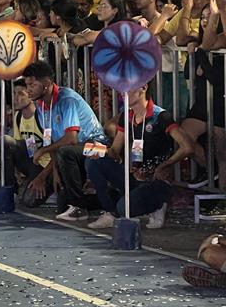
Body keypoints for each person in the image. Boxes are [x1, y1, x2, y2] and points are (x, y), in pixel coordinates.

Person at [86, 84, 194, 230]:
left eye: (128, 89)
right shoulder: (126, 117)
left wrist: (166, 165)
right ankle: (111, 212)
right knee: (93, 163)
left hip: (156, 180)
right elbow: (115, 151)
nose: (122, 93)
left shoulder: (160, 116)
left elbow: (187, 147)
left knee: (124, 207)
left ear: (143, 88)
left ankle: (158, 204)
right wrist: (98, 150)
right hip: (135, 177)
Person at [24, 60, 107, 222]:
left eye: (32, 85)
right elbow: (53, 141)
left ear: (46, 84)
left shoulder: (66, 99)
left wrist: (43, 151)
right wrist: (53, 171)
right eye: (27, 85)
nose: (28, 90)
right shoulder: (40, 106)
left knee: (65, 151)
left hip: (98, 146)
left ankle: (79, 208)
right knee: (29, 199)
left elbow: (71, 138)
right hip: (70, 153)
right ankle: (107, 199)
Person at [3, 78, 54, 207]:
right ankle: (10, 189)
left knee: (28, 201)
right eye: (14, 94)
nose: (15, 98)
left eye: (20, 94)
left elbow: (55, 153)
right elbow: (19, 146)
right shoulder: (18, 117)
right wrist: (15, 172)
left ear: (31, 96)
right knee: (6, 141)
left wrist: (41, 177)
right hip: (32, 161)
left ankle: (52, 188)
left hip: (47, 166)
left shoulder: (43, 117)